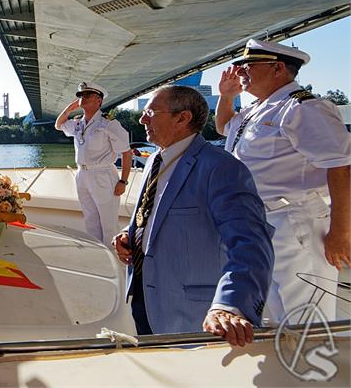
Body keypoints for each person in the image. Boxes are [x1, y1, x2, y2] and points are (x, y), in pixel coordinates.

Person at [112, 86, 274, 346]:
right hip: (145, 298)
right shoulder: (154, 160)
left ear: (182, 118)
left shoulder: (222, 168)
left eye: (151, 112)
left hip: (191, 311)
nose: (142, 120)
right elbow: (155, 215)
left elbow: (251, 242)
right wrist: (130, 235)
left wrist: (229, 306)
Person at [215, 39, 350, 323]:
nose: (241, 71)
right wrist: (226, 96)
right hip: (261, 222)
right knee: (275, 314)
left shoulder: (302, 108)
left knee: (306, 318)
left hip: (294, 223)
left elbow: (340, 167)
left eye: (248, 65)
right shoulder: (258, 109)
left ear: (277, 68)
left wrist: (341, 233)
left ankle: (316, 368)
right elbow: (223, 126)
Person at [54, 82, 131, 244]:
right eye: (81, 95)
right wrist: (69, 109)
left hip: (102, 175)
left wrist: (123, 181)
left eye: (87, 95)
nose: (82, 98)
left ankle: (113, 261)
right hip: (82, 174)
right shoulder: (78, 123)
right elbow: (58, 125)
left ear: (98, 100)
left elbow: (126, 151)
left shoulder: (108, 124)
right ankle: (99, 258)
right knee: (90, 220)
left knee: (108, 222)